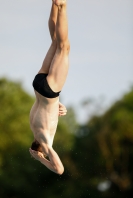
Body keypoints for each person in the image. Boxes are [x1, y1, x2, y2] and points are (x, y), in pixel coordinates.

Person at [29, 0, 70, 175]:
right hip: (38, 85)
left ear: (40, 149)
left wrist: (41, 159)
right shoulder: (34, 127)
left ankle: (62, 6)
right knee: (55, 41)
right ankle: (55, 4)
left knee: (63, 47)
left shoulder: (45, 139)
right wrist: (59, 106)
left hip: (49, 90)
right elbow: (43, 109)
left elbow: (59, 170)